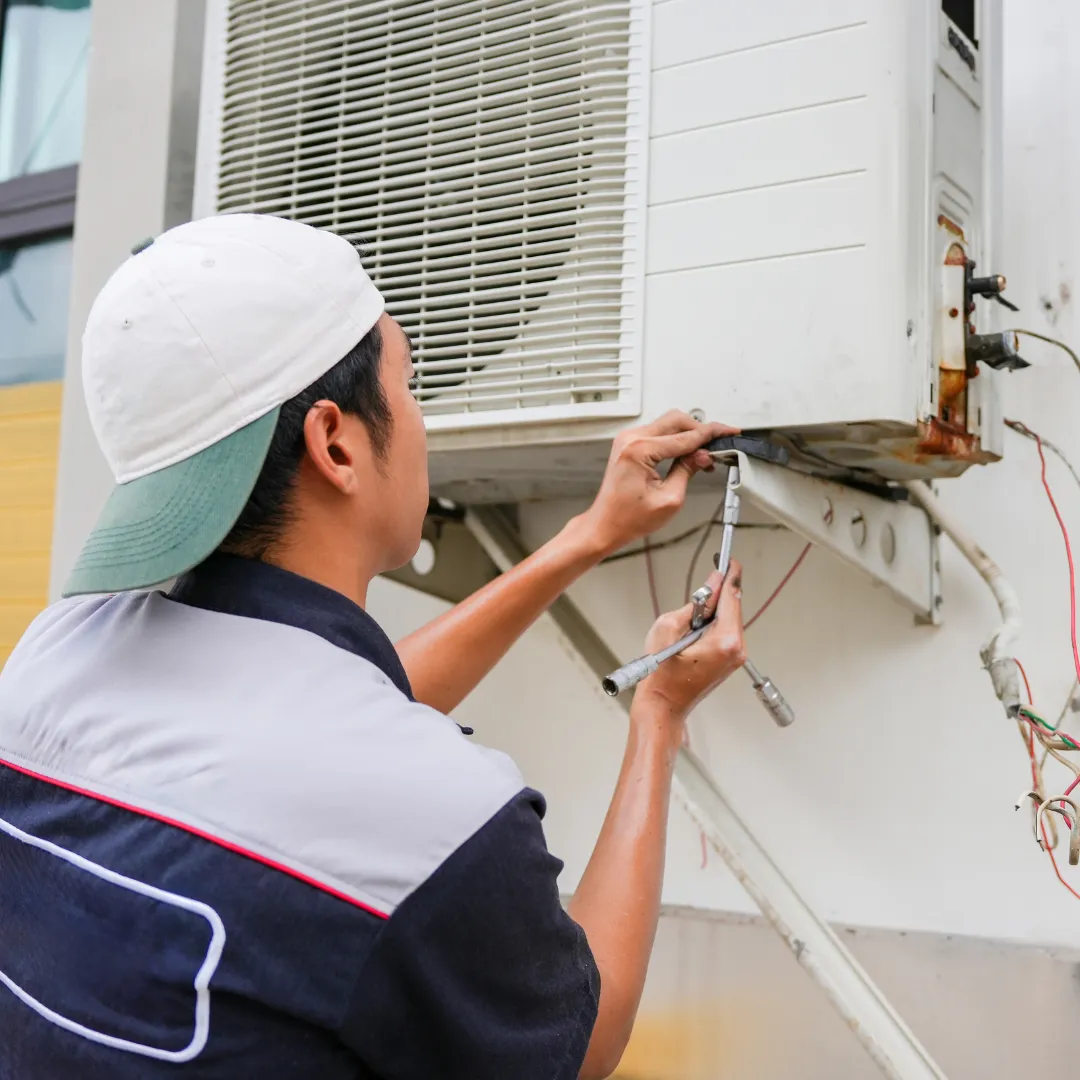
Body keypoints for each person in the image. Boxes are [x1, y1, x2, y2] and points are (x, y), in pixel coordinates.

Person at [0, 214, 746, 1079]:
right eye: (410, 383)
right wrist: (658, 717)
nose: (421, 419)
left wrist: (587, 536)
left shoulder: (49, 659)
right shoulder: (434, 823)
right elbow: (590, 1029)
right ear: (335, 443)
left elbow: (318, 731)